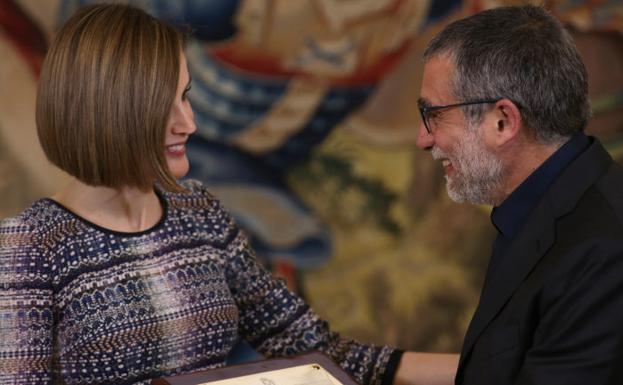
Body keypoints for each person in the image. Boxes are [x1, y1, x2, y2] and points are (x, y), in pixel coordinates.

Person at [0, 4, 461, 385]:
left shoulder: (197, 209)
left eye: (186, 96)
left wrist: (491, 370)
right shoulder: (29, 245)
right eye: (166, 106)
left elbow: (316, 349)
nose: (189, 123)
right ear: (107, 111)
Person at [415, 4, 623, 385]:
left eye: (434, 115)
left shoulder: (605, 253)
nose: (423, 139)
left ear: (503, 121)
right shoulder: (549, 205)